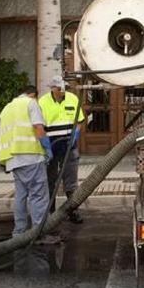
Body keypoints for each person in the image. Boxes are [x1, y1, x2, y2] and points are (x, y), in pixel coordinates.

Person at [0, 85, 53, 237]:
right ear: (33, 94)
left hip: (13, 159)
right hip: (30, 156)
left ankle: (19, 232)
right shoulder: (30, 103)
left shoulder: (7, 108)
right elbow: (38, 127)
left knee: (21, 195)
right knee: (38, 195)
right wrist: (47, 147)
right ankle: (38, 232)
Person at [38, 77, 86, 223]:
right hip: (51, 145)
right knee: (50, 180)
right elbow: (39, 127)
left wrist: (76, 134)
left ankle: (73, 211)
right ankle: (50, 213)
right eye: (59, 90)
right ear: (52, 88)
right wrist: (46, 146)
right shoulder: (42, 102)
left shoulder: (72, 99)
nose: (62, 92)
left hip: (69, 146)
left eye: (63, 89)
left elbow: (79, 122)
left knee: (71, 181)